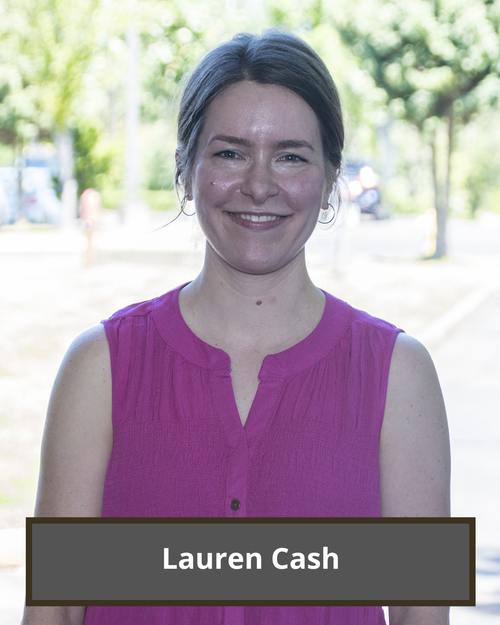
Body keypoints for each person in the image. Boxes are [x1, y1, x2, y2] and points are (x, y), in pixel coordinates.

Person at [22, 30, 450, 625]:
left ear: (330, 178)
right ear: (184, 169)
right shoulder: (99, 367)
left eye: (291, 156)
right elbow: (54, 612)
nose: (259, 185)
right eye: (230, 153)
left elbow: (420, 613)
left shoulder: (400, 376)